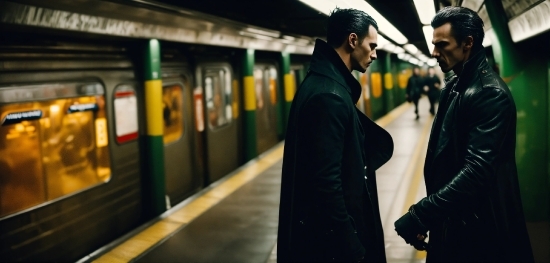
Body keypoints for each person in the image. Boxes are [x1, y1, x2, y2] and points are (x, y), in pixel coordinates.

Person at [394, 6, 534, 262]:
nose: (435, 52)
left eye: (442, 44)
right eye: (434, 44)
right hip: (456, 220)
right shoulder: (456, 86)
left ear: (468, 43)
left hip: (479, 230)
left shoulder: (488, 93)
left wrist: (421, 215)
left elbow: (476, 171)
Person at [277, 8, 393, 263]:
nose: (374, 54)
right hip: (332, 249)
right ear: (352, 40)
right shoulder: (329, 96)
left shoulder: (322, 84)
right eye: (371, 45)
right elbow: (326, 184)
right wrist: (352, 247)